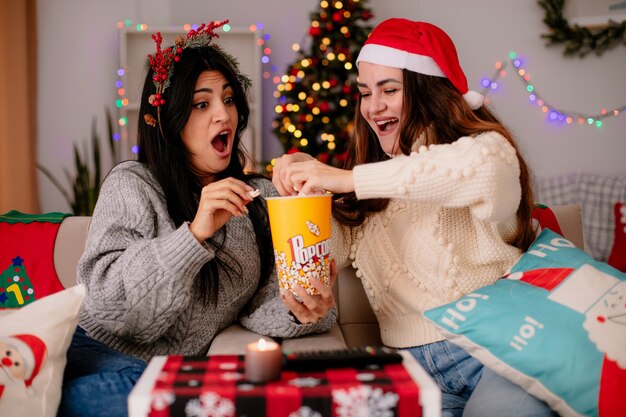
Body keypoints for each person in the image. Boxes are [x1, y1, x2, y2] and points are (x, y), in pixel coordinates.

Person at [272, 18, 555, 417]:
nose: (373, 106)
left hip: (498, 354)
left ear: (428, 92)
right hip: (412, 373)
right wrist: (308, 190)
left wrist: (345, 177)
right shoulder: (364, 198)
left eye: (389, 89)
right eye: (366, 93)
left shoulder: (484, 151)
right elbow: (318, 255)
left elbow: (483, 173)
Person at [59, 20, 337, 417]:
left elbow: (262, 306)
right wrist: (193, 235)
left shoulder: (261, 198)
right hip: (91, 349)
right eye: (201, 104)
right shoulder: (133, 183)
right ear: (171, 121)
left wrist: (301, 309)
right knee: (138, 389)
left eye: (228, 99)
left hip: (159, 373)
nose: (223, 114)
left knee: (155, 391)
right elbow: (107, 307)